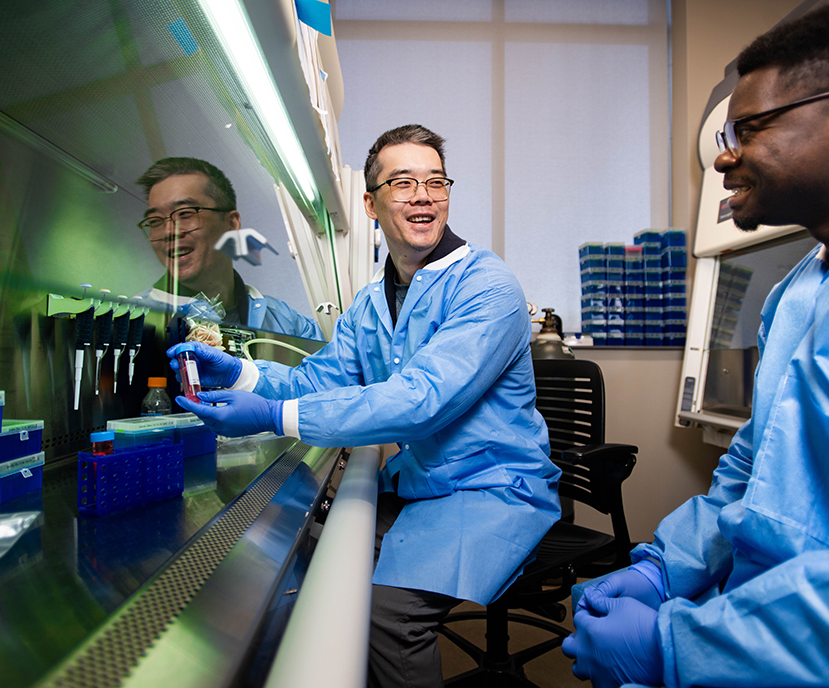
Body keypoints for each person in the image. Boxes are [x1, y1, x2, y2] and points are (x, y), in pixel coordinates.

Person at [561, 1, 829, 686]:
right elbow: (751, 473)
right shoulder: (799, 290)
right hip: (757, 629)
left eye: (747, 129)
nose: (724, 155)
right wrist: (666, 568)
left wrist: (678, 646)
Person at [167, 125, 562, 687]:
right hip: (424, 487)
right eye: (403, 183)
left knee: (386, 616)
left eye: (435, 182)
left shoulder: (489, 287)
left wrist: (272, 416)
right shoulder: (371, 303)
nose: (423, 196)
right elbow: (319, 379)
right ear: (371, 203)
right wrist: (248, 373)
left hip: (493, 491)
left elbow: (421, 400)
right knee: (314, 567)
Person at [134, 157, 323, 341]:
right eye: (155, 221)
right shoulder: (132, 323)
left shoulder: (284, 321)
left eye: (185, 214)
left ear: (231, 223)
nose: (169, 232)